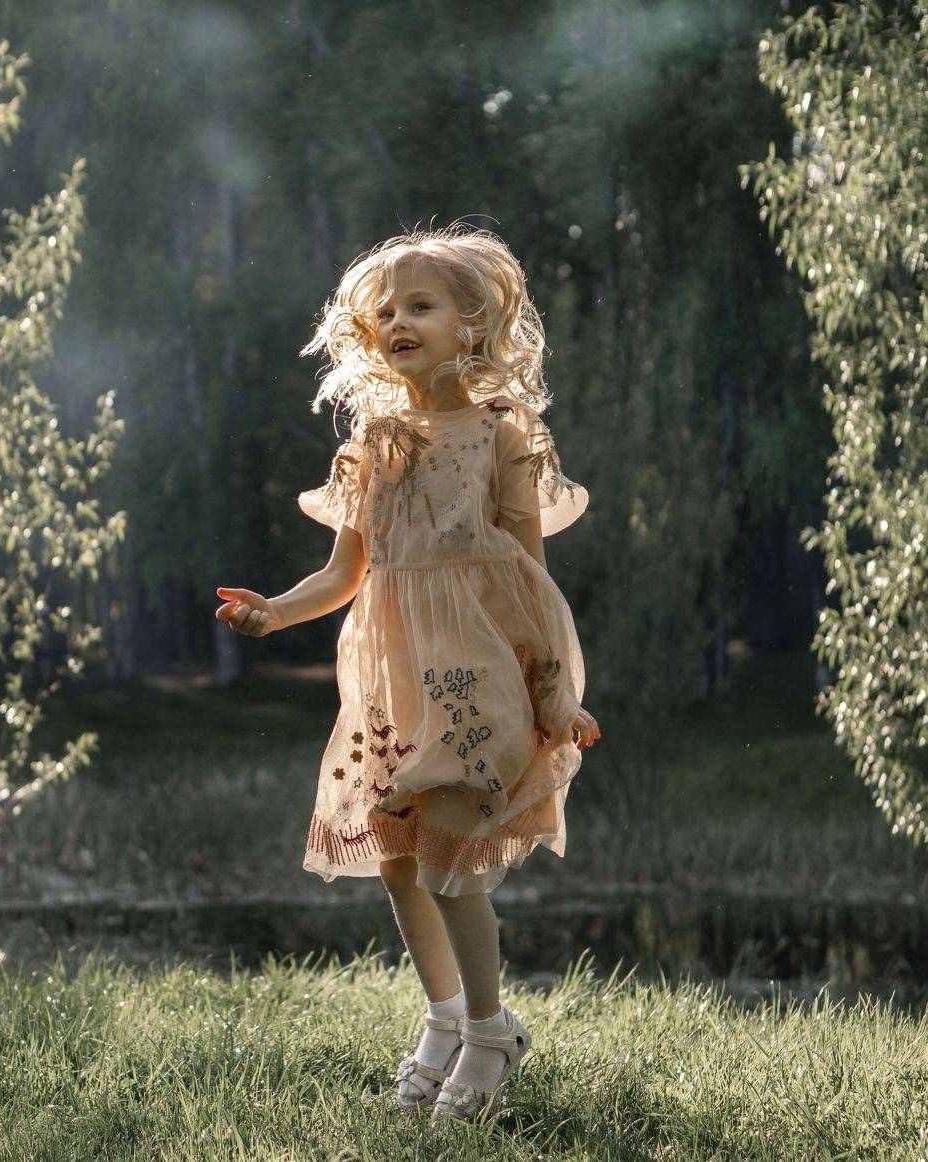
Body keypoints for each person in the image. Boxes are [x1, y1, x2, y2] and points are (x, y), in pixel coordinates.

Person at [215, 224, 601, 1121]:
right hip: (395, 685)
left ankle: (493, 1034)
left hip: (476, 683)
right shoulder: (377, 442)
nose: (397, 323)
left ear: (473, 322)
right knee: (399, 863)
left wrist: (556, 690)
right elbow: (343, 575)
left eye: (419, 306)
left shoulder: (504, 435)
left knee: (451, 867)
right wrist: (275, 611)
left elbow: (532, 577)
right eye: (384, 311)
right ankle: (446, 1017)